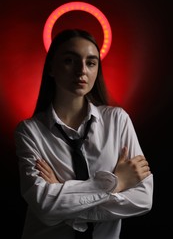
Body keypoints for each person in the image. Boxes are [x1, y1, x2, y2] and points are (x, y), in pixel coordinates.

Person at [14, 28, 153, 239]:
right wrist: (116, 183)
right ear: (51, 67)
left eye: (91, 62)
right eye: (70, 60)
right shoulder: (29, 131)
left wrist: (63, 198)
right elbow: (43, 204)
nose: (82, 70)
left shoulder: (118, 120)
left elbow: (143, 198)